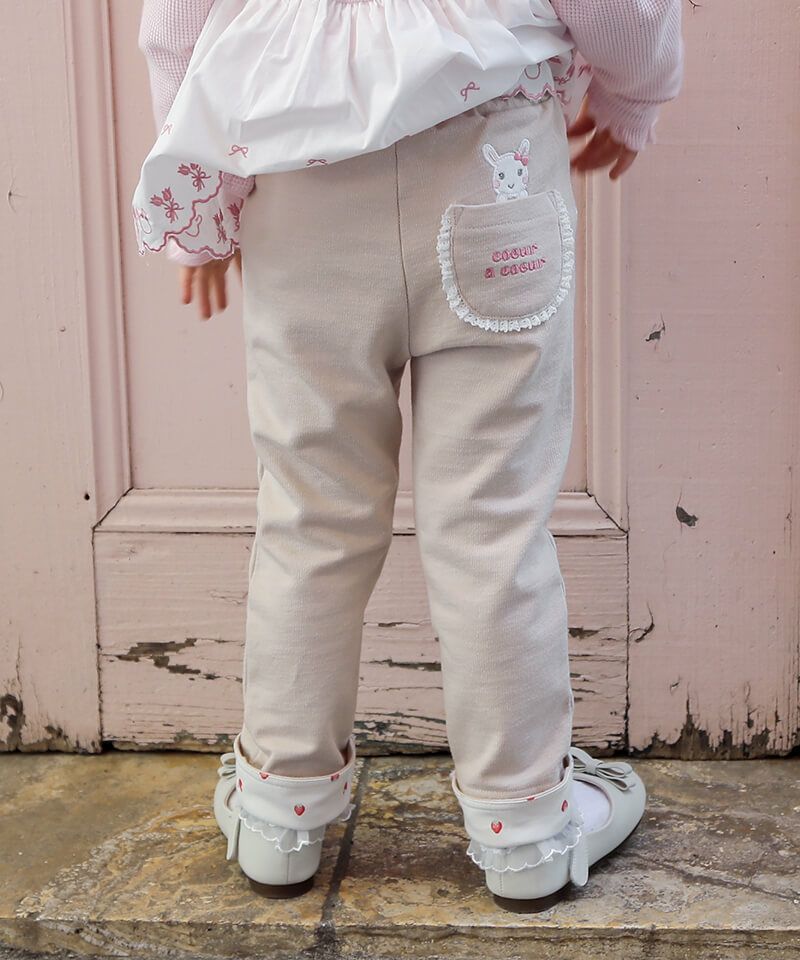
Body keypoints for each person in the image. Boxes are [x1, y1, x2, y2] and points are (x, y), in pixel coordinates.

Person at [133, 0, 683, 910]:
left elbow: (179, 25)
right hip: (491, 157)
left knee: (311, 511)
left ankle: (278, 811)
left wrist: (200, 192)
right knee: (492, 523)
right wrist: (636, 95)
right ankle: (526, 826)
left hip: (296, 170)